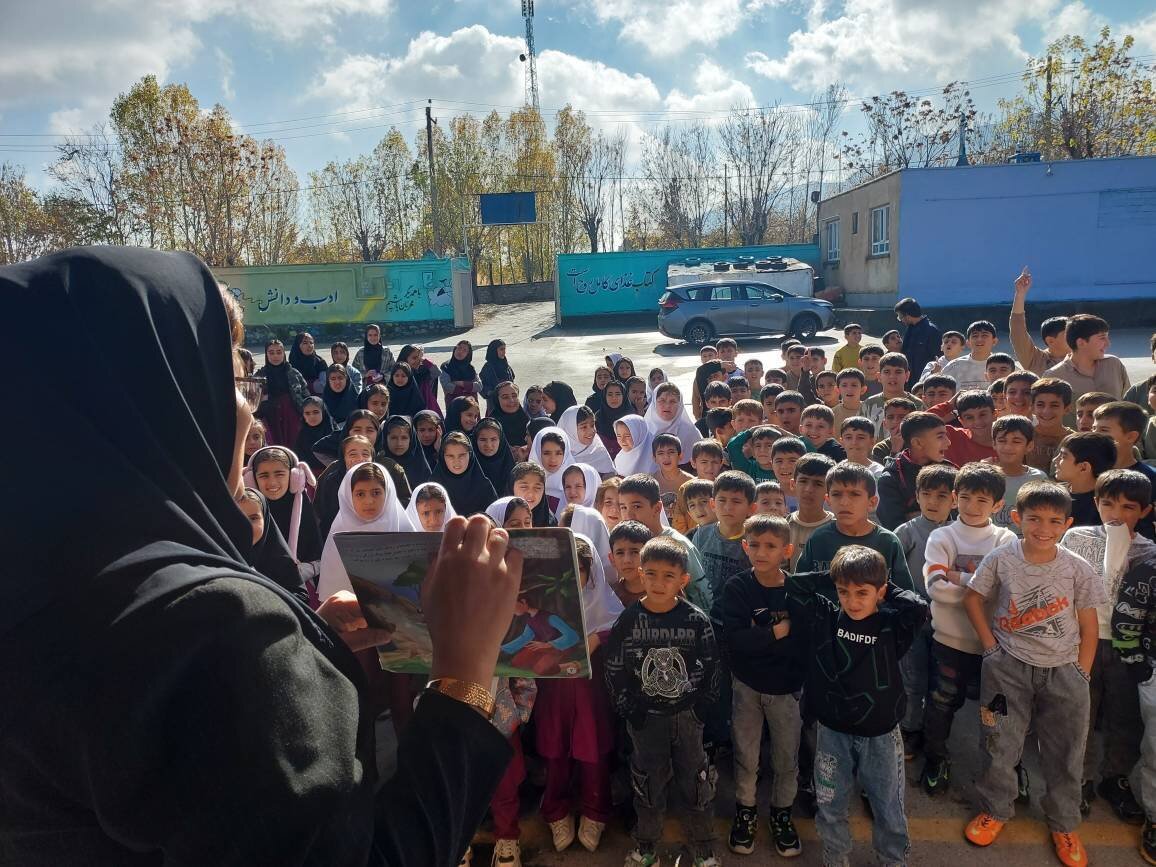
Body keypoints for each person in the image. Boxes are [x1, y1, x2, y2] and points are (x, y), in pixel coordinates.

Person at [2, 246, 522, 866]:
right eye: (226, 377)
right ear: (160, 401)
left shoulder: (48, 591)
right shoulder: (208, 634)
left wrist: (305, 647)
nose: (248, 411)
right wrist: (463, 676)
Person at [962, 482, 1104, 867]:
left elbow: (1089, 626)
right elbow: (973, 597)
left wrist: (1082, 674)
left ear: (1067, 524)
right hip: (1007, 669)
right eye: (1034, 518)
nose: (1043, 528)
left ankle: (1063, 822)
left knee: (1066, 753)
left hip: (1064, 672)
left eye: (1054, 521)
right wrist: (991, 648)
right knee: (999, 743)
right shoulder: (1002, 558)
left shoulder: (1078, 568)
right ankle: (996, 808)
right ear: (1015, 518)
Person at [788, 546, 928, 867]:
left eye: (862, 592)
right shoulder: (825, 616)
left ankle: (893, 860)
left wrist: (881, 583)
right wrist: (839, 575)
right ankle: (835, 859)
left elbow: (918, 606)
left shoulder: (892, 625)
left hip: (880, 735)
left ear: (880, 592)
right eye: (844, 592)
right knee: (830, 804)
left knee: (887, 806)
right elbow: (794, 585)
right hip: (832, 733)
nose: (852, 601)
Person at [603, 537, 722, 867]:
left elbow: (711, 665)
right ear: (641, 574)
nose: (658, 582)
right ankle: (646, 847)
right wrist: (629, 709)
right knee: (647, 785)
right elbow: (614, 667)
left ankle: (703, 848)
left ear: (683, 580)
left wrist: (700, 709)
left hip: (687, 719)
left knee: (697, 784)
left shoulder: (696, 620)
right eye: (651, 574)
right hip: (646, 721)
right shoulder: (628, 622)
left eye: (668, 575)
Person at [1061, 469, 1154, 823]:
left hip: (1125, 646)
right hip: (1080, 639)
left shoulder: (1148, 552)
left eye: (1128, 507)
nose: (1116, 514)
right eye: (1108, 504)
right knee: (1081, 712)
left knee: (1123, 715)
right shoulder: (1076, 537)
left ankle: (1114, 778)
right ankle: (1079, 779)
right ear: (1096, 503)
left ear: (1144, 512)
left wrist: (1121, 550)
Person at [919, 463, 1018, 796]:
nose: (972, 507)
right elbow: (936, 589)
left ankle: (1004, 768)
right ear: (954, 498)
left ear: (998, 505)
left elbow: (1009, 591)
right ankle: (936, 758)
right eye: (965, 498)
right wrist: (982, 592)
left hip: (993, 644)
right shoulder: (942, 536)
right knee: (941, 702)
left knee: (997, 711)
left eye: (982, 500)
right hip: (949, 641)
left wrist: (958, 577)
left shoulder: (1006, 539)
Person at [719, 514, 806, 857]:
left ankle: (782, 813)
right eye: (754, 545)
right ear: (744, 546)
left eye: (770, 546)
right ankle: (746, 809)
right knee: (746, 753)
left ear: (786, 551)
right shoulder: (738, 588)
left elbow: (803, 642)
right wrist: (775, 632)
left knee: (786, 757)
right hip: (747, 686)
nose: (761, 552)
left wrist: (764, 639)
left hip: (786, 690)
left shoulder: (798, 590)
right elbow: (736, 641)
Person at [535, 535, 621, 855]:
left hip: (590, 692)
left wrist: (598, 636)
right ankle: (556, 811)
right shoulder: (544, 604)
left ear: (591, 571)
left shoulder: (603, 602)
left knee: (592, 749)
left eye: (579, 570)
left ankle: (594, 811)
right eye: (564, 570)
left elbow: (618, 623)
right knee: (555, 750)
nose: (572, 578)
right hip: (554, 692)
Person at [894, 464, 957, 760]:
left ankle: (936, 737)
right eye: (926, 494)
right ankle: (910, 729)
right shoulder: (906, 532)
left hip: (951, 622)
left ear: (954, 499)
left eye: (942, 495)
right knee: (913, 677)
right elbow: (892, 576)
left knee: (941, 683)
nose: (933, 501)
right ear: (917, 496)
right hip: (914, 620)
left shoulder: (959, 534)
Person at [795, 462, 914, 591]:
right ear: (828, 500)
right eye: (836, 494)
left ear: (872, 502)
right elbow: (800, 590)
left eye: (855, 494)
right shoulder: (818, 539)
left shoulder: (888, 542)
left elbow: (905, 596)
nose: (844, 502)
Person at [618, 474, 713, 613]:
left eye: (637, 506)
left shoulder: (679, 544)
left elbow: (700, 595)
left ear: (657, 508)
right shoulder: (624, 544)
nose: (629, 515)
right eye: (623, 507)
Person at [1046, 315, 1131, 424]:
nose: (1108, 344)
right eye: (1102, 338)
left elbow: (1128, 403)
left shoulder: (1114, 364)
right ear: (1081, 343)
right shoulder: (1054, 376)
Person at [876, 411, 952, 530]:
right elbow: (895, 528)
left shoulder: (950, 471)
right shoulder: (891, 478)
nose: (948, 442)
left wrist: (915, 517)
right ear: (917, 443)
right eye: (940, 436)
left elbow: (960, 519)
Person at [246, 445, 322, 563]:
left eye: (279, 474)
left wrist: (303, 572)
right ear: (252, 480)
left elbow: (316, 557)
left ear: (294, 477)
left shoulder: (305, 512)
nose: (272, 482)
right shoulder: (247, 513)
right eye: (264, 475)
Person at [987, 416, 1047, 534]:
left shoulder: (1038, 478)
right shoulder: (985, 477)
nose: (1008, 447)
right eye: (1002, 441)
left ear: (1029, 446)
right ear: (994, 443)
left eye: (1016, 441)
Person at [1009, 267, 1069, 374]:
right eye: (1069, 333)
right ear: (1050, 340)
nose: (1076, 337)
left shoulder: (1086, 358)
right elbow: (1017, 331)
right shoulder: (1036, 360)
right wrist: (1020, 294)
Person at [1055, 431, 1118, 527]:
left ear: (1083, 467)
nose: (1055, 460)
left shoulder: (1106, 505)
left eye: (1063, 456)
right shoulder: (1054, 494)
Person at [257, 338, 311, 446]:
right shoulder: (260, 375)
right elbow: (254, 400)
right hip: (270, 418)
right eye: (271, 353)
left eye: (279, 352)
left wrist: (305, 412)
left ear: (283, 354)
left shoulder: (294, 373)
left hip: (293, 416)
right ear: (266, 355)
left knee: (296, 445)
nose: (275, 356)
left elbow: (305, 394)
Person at [431, 431, 498, 517]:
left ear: (470, 455)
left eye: (462, 455)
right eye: (450, 456)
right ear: (443, 457)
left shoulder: (484, 487)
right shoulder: (433, 488)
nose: (457, 461)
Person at [787, 453, 835, 570]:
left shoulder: (838, 527)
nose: (808, 489)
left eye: (818, 484)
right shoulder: (783, 526)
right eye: (803, 481)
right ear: (793, 484)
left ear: (829, 490)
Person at [861, 353, 918, 437]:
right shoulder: (868, 405)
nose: (892, 376)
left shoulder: (918, 405)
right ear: (879, 376)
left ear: (907, 375)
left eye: (898, 372)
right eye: (887, 372)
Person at [1028, 377, 1076, 475]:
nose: (1046, 411)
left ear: (1066, 409)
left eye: (1054, 405)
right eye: (1040, 405)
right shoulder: (1025, 435)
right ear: (1032, 408)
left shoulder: (1074, 441)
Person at [941, 320, 999, 393]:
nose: (979, 339)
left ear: (994, 341)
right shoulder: (953, 366)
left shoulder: (1004, 365)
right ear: (968, 343)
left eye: (984, 335)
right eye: (975, 336)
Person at [895, 297, 942, 379]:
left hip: (924, 379)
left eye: (900, 317)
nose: (901, 320)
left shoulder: (931, 331)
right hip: (908, 379)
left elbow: (939, 358)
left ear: (907, 315)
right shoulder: (910, 329)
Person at [381, 414, 432, 488]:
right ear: (385, 438)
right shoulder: (379, 465)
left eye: (404, 438)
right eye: (394, 438)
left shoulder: (420, 467)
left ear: (411, 439)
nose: (399, 443)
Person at [609, 520, 651, 607]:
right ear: (612, 559)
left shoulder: (663, 589)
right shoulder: (611, 596)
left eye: (635, 552)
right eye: (620, 553)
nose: (627, 560)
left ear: (649, 555)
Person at [294, 395, 336, 474]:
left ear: (323, 412)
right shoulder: (301, 436)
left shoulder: (334, 433)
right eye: (307, 413)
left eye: (316, 412)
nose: (312, 416)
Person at [595, 380, 630, 458]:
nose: (614, 398)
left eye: (618, 394)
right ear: (605, 396)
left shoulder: (632, 418)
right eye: (610, 394)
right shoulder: (598, 418)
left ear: (623, 396)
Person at [479, 339, 514, 414]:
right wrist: (491, 392)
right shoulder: (488, 367)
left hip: (509, 402)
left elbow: (512, 380)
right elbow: (482, 385)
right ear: (493, 351)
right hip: (494, 404)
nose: (504, 352)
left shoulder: (506, 365)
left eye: (504, 349)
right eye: (501, 349)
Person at [831, 368, 867, 432]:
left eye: (854, 385)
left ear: (863, 389)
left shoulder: (872, 411)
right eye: (844, 385)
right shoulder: (831, 415)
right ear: (837, 390)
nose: (849, 389)